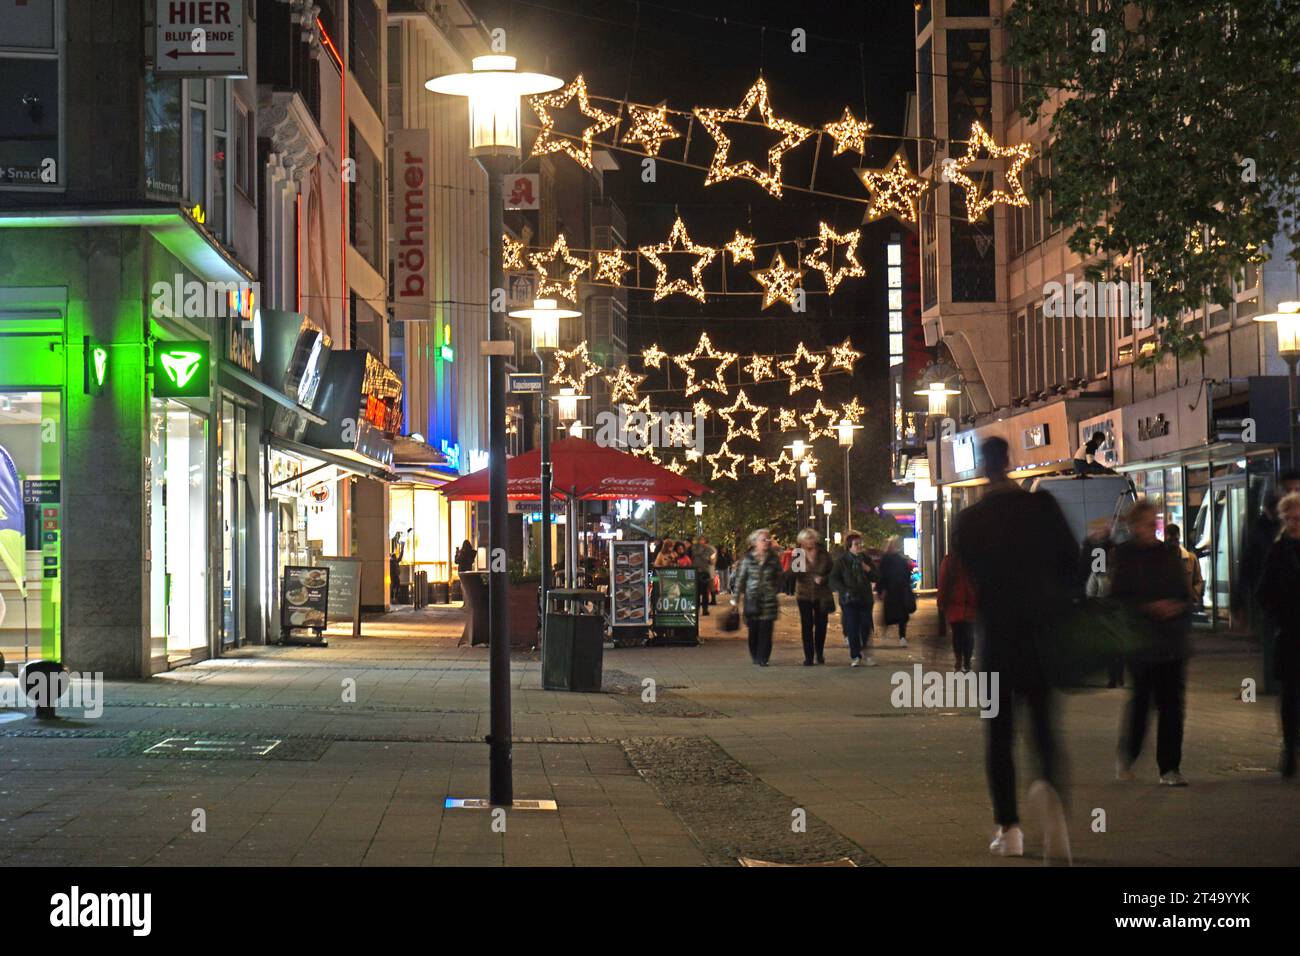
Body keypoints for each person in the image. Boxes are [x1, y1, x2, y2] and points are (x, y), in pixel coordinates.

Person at [954, 436, 1078, 861]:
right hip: (1041, 637)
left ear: (981, 467)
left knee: (999, 736)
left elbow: (967, 578)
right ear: (1010, 461)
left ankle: (1009, 829)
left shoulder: (970, 520)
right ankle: (1052, 800)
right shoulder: (1043, 509)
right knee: (1044, 728)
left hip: (997, 641)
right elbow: (1073, 567)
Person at [1111, 500, 1193, 787]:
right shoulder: (1123, 555)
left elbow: (1185, 593)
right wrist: (1147, 608)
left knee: (1172, 706)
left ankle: (1169, 768)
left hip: (1172, 642)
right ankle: (1128, 753)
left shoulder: (1169, 553)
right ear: (1133, 525)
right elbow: (1118, 598)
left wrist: (1176, 606)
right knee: (1142, 704)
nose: (1152, 527)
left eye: (1154, 521)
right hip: (1142, 643)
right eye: (1147, 522)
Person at [1254, 491, 1300, 778]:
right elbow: (1264, 592)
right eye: (1289, 518)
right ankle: (1289, 747)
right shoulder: (1278, 551)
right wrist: (1281, 614)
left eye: (1297, 518)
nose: (1293, 523)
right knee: (1291, 695)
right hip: (1291, 633)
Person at [731, 528, 783, 666]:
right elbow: (740, 580)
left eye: (768, 539)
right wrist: (734, 600)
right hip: (752, 599)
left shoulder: (773, 559)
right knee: (754, 630)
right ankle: (755, 654)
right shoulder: (747, 559)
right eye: (763, 540)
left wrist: (774, 588)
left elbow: (779, 576)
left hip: (769, 600)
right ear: (755, 542)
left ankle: (763, 657)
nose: (766, 542)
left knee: (766, 630)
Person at [830, 531, 878, 666]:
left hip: (865, 599)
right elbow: (833, 579)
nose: (859, 546)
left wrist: (868, 569)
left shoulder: (865, 559)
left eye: (860, 543)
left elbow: (876, 576)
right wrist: (844, 590)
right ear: (849, 546)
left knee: (865, 626)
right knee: (852, 627)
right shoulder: (842, 561)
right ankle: (855, 655)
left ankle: (866, 653)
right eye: (856, 544)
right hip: (849, 600)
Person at [793, 528, 834, 665]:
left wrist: (824, 579)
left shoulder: (823, 554)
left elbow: (832, 572)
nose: (809, 542)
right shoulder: (798, 553)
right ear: (801, 541)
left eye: (811, 539)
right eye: (806, 539)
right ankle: (809, 656)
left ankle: (820, 653)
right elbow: (795, 574)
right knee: (807, 625)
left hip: (821, 594)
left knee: (821, 625)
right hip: (804, 594)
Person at [938, 552, 977, 672]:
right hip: (970, 603)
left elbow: (943, 582)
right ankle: (967, 662)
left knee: (957, 634)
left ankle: (959, 661)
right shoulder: (973, 559)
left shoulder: (949, 561)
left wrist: (941, 601)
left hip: (954, 603)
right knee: (968, 634)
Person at [876, 536, 915, 646]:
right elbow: (882, 575)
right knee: (896, 615)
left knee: (895, 615)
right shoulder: (898, 559)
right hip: (894, 591)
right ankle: (898, 637)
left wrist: (881, 590)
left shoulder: (891, 559)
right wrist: (881, 590)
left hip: (895, 591)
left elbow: (881, 575)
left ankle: (898, 636)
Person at [1164, 524, 1204, 609]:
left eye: (1175, 540)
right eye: (1170, 540)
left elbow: (1199, 581)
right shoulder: (1160, 559)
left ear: (1179, 538)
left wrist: (1193, 595)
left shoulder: (1190, 558)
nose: (1173, 543)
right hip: (1166, 606)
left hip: (1184, 606)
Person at [692, 534, 716, 617]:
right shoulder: (695, 547)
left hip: (705, 571)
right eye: (701, 539)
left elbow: (711, 559)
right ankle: (696, 609)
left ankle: (705, 609)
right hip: (696, 571)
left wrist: (710, 560)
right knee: (697, 592)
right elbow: (695, 554)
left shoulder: (709, 548)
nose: (702, 541)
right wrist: (703, 549)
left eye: (704, 539)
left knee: (705, 592)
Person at [389, 531, 406, 604]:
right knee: (394, 586)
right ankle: (393, 598)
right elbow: (400, 556)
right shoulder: (393, 561)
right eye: (394, 556)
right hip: (394, 576)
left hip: (395, 576)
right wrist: (402, 547)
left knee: (396, 586)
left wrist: (402, 547)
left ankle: (394, 598)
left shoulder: (394, 561)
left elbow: (400, 556)